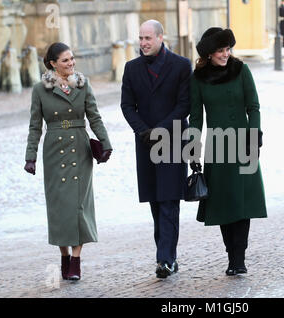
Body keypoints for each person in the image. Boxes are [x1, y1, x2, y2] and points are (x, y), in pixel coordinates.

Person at [24, 42, 113, 281]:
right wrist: (30, 157)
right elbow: (35, 126)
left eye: (72, 59)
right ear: (52, 63)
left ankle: (76, 260)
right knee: (59, 207)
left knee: (78, 205)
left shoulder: (83, 86)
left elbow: (95, 117)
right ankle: (64, 255)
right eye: (65, 60)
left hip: (79, 149)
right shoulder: (40, 89)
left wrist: (106, 143)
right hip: (54, 150)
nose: (71, 63)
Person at [189, 27, 267, 276]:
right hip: (217, 147)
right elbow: (195, 118)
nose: (225, 54)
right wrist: (193, 150)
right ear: (209, 54)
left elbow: (253, 106)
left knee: (242, 203)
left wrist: (253, 135)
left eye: (227, 49)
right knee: (224, 204)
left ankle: (239, 258)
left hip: (243, 144)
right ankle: (231, 255)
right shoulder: (198, 78)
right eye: (220, 51)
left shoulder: (241, 70)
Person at [120, 20, 191, 279]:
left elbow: (184, 105)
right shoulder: (131, 68)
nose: (143, 43)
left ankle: (165, 259)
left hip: (172, 141)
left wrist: (160, 130)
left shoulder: (182, 66)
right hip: (146, 142)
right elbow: (127, 105)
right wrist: (144, 131)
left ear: (161, 37)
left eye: (148, 38)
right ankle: (167, 254)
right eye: (140, 38)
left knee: (169, 201)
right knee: (154, 201)